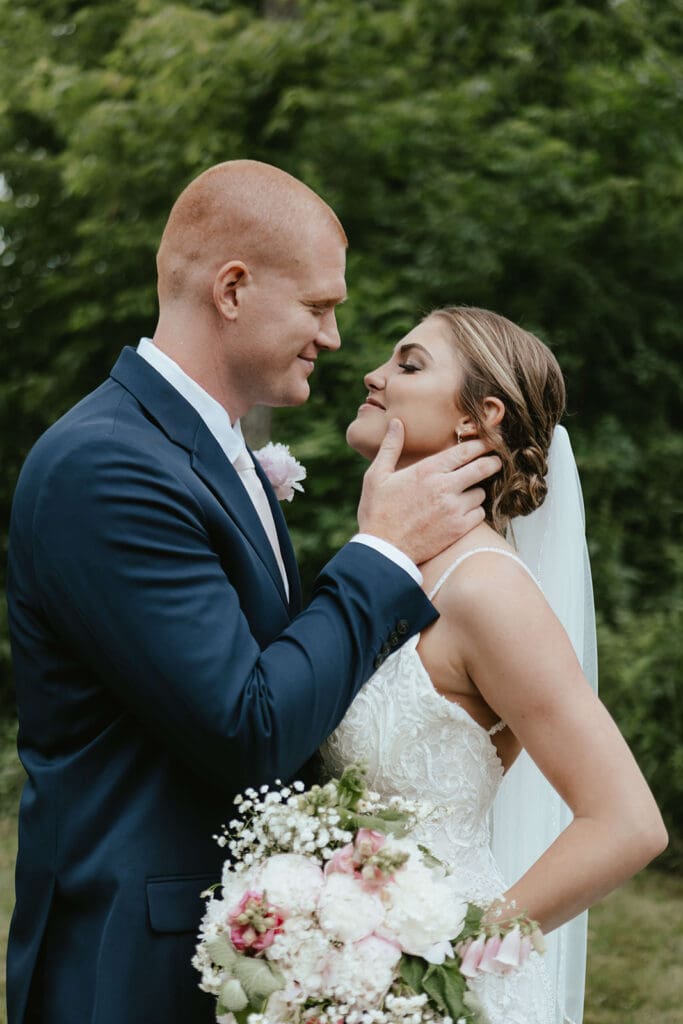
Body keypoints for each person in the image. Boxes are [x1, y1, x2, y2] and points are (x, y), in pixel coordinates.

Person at [5, 164, 501, 1024]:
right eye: (318, 307)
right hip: (130, 969)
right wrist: (382, 550)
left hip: (241, 951)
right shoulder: (107, 467)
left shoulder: (215, 454)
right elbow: (251, 726)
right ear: (232, 289)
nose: (336, 337)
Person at [322, 305, 667, 1024]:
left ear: (477, 419)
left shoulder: (486, 589)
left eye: (408, 365)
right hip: (340, 961)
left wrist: (443, 961)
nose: (372, 375)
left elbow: (626, 822)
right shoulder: (388, 567)